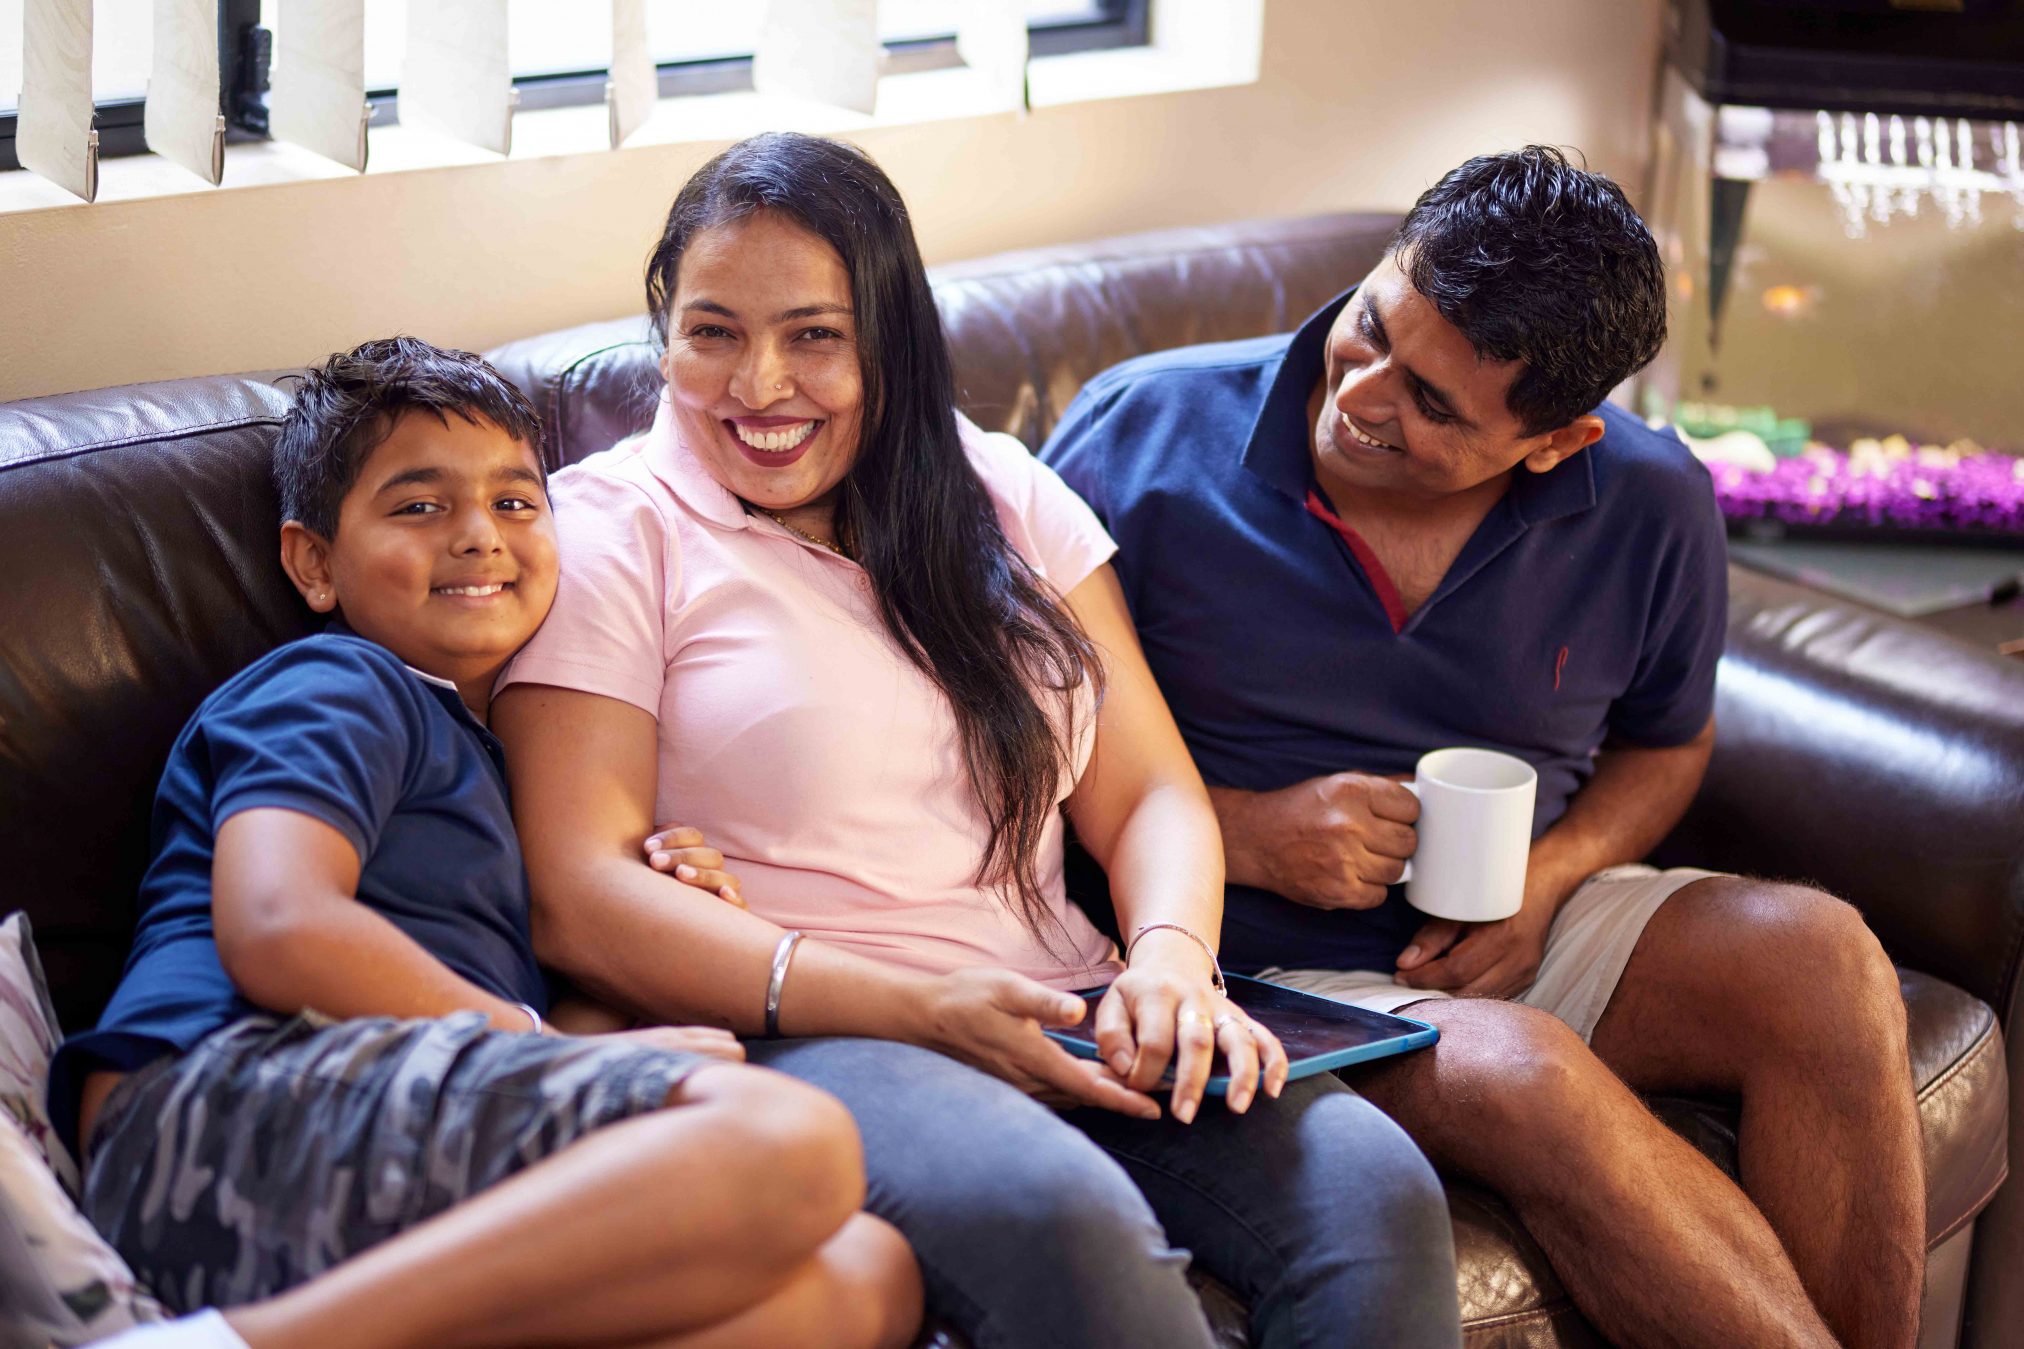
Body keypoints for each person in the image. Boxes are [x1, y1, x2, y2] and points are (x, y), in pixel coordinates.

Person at [491, 131, 1461, 1349]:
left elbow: (1150, 789)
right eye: (711, 332)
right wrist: (920, 1006)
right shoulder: (610, 532)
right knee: (1066, 1216)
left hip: (1072, 995)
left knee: (1371, 1189)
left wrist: (1168, 960)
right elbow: (574, 895)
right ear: (664, 333)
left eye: (813, 335)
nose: (756, 385)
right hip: (813, 1030)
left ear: (888, 338)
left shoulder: (998, 487)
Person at [1040, 146, 1925, 1349]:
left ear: (1556, 442)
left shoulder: (1651, 504)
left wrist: (1549, 879)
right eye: (1370, 329)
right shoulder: (1140, 435)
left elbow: (1668, 742)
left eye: (1434, 407)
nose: (1360, 397)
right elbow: (985, 732)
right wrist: (1243, 832)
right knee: (1528, 1071)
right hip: (1245, 960)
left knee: (1824, 957)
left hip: (1527, 926)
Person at [51, 338, 921, 1349]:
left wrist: (650, 960)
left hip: (377, 1134)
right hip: (216, 1098)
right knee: (788, 1136)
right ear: (314, 562)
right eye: (419, 506)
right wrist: (544, 1045)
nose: (479, 536)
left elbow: (528, 1045)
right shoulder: (338, 685)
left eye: (515, 502)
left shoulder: (517, 783)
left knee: (865, 1276)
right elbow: (278, 924)